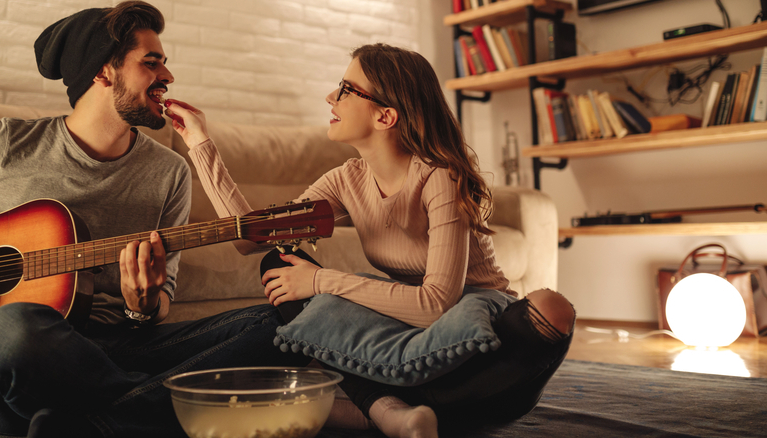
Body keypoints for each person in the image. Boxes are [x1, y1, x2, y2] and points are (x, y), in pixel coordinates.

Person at [0, 1, 297, 438]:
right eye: (152, 62)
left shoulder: (170, 172)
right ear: (104, 71)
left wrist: (141, 308)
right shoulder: (3, 144)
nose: (167, 76)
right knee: (13, 327)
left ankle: (97, 422)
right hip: (10, 361)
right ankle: (144, 410)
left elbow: (161, 301)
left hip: (115, 348)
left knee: (280, 323)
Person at [165, 43, 577, 438]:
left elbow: (436, 305)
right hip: (400, 331)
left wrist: (323, 280)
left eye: (345, 89)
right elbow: (252, 239)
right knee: (279, 264)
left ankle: (372, 410)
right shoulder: (347, 180)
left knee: (550, 309)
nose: (331, 97)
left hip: (476, 338)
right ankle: (391, 413)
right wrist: (200, 143)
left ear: (385, 116)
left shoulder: (438, 177)